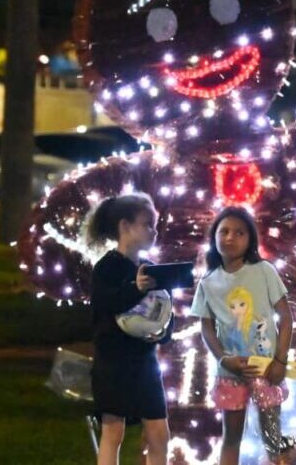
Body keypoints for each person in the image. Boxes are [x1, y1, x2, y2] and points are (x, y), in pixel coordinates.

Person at [190, 206, 296, 465]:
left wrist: (280, 361)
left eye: (239, 232)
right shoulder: (208, 282)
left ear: (250, 239)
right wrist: (223, 359)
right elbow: (206, 327)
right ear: (214, 237)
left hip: (266, 370)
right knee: (231, 437)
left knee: (272, 437)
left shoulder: (263, 271)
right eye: (224, 231)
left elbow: (286, 318)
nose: (230, 237)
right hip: (231, 374)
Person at [86, 193, 171, 465]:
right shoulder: (106, 268)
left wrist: (164, 332)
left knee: (159, 432)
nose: (153, 231)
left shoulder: (152, 270)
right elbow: (106, 304)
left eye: (155, 226)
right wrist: (136, 288)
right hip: (113, 362)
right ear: (125, 226)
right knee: (113, 431)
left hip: (145, 362)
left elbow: (165, 311)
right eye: (147, 224)